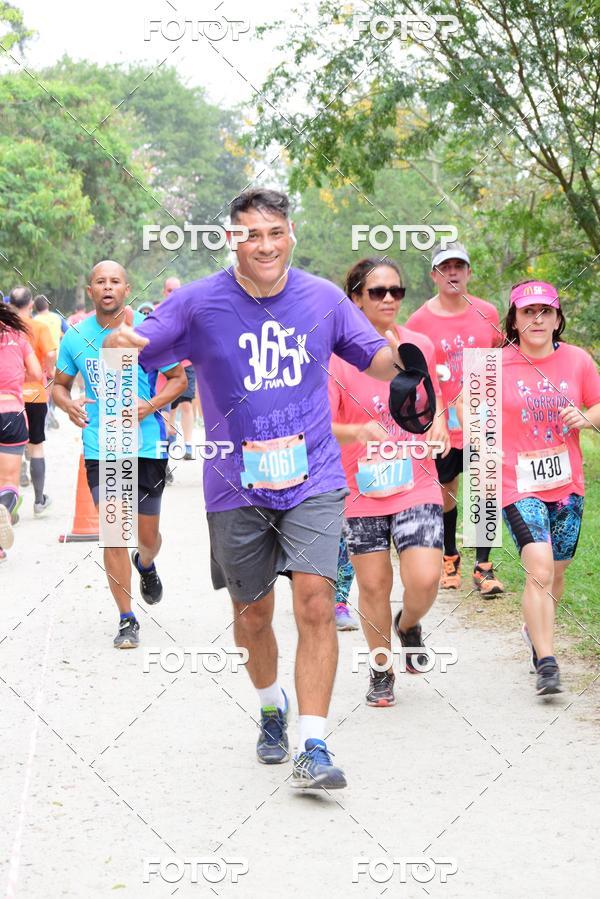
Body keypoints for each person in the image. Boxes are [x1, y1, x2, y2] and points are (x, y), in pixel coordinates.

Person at [104, 188, 407, 790]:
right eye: (251, 234)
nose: (264, 245)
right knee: (253, 613)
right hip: (234, 481)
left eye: (275, 232)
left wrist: (406, 367)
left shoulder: (323, 298)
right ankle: (272, 706)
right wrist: (120, 342)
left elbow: (373, 357)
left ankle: (314, 744)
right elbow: (138, 349)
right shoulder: (197, 303)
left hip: (314, 474)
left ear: (290, 234)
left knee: (317, 600)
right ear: (231, 240)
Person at [329, 258, 448, 706]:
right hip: (360, 488)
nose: (388, 300)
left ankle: (408, 624)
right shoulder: (336, 357)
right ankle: (381, 671)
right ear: (356, 297)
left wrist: (438, 423)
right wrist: (358, 432)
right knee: (374, 585)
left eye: (395, 291)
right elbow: (320, 423)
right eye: (377, 292)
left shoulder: (418, 346)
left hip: (416, 478)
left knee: (424, 577)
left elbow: (434, 399)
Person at [54, 260, 187, 648]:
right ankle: (127, 618)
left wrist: (151, 406)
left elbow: (178, 379)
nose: (108, 287)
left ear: (126, 289)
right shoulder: (76, 337)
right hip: (102, 446)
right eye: (100, 281)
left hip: (146, 445)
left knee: (147, 536)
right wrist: (68, 404)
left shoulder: (146, 335)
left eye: (115, 281)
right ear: (90, 290)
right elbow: (59, 385)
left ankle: (145, 563)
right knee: (114, 533)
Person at [500, 280, 600, 695]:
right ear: (515, 320)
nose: (537, 319)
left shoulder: (578, 360)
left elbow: (598, 406)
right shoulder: (494, 365)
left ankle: (533, 629)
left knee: (555, 574)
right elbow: (470, 413)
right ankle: (547, 661)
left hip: (566, 484)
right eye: (527, 312)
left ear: (558, 319)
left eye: (545, 311)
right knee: (538, 567)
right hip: (516, 483)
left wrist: (587, 416)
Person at [406, 241, 505, 596]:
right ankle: (450, 557)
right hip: (441, 421)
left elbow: (500, 354)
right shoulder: (419, 319)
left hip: (482, 416)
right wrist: (432, 416)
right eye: (445, 267)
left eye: (458, 267)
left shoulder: (488, 312)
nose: (452, 273)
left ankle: (483, 565)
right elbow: (416, 373)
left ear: (468, 273)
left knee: (484, 490)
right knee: (446, 491)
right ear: (434, 274)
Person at [0, 303, 43, 561]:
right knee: (9, 481)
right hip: (12, 411)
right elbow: (37, 372)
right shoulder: (18, 335)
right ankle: (4, 509)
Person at [9, 287, 55, 517]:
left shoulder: (5, 327)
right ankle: (39, 501)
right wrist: (49, 371)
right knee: (36, 445)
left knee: (7, 450)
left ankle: (9, 506)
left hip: (9, 397)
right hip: (35, 394)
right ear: (30, 305)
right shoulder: (38, 326)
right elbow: (49, 354)